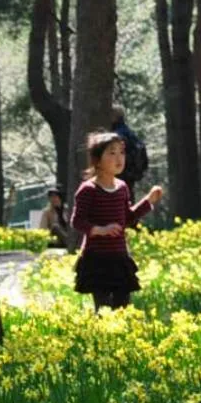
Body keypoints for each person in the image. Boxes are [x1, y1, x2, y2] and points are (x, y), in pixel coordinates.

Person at [71, 132, 164, 311]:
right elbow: (77, 221)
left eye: (121, 152)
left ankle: (120, 338)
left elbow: (126, 219)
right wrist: (100, 230)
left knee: (123, 308)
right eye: (111, 153)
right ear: (97, 160)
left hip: (119, 256)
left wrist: (149, 201)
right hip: (96, 258)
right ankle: (102, 338)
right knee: (103, 308)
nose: (119, 158)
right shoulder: (88, 190)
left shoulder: (122, 188)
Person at [108, 105, 149, 189]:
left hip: (120, 175)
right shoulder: (129, 132)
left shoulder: (117, 135)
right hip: (130, 175)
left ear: (114, 117)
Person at [41, 186, 78, 250]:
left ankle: (72, 242)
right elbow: (42, 228)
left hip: (68, 235)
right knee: (55, 227)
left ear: (60, 197)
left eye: (55, 196)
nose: (53, 199)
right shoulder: (47, 212)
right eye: (51, 197)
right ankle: (70, 243)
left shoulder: (67, 210)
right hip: (56, 239)